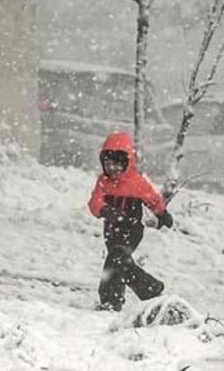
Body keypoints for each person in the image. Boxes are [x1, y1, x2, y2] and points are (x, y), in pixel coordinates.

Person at [88, 131, 173, 311]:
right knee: (122, 263)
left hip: (131, 229)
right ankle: (151, 288)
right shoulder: (103, 182)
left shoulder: (136, 182)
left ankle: (111, 300)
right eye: (108, 164)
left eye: (117, 165)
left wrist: (162, 213)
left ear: (127, 162)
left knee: (116, 260)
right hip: (111, 230)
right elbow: (94, 202)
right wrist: (104, 209)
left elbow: (153, 199)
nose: (112, 169)